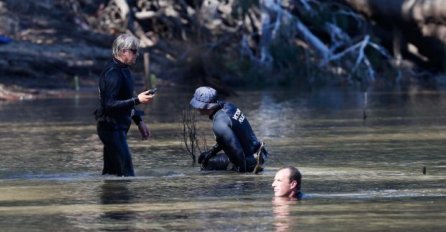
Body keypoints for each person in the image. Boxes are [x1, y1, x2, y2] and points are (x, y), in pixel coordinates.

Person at [94, 33, 155, 177]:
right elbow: (109, 104)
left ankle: (109, 197)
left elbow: (126, 100)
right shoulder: (112, 73)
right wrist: (137, 100)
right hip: (110, 128)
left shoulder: (125, 70)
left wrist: (139, 122)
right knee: (127, 173)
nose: (137, 55)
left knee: (111, 174)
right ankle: (123, 199)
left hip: (119, 128)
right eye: (134, 51)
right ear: (123, 51)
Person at [189, 86, 268, 173]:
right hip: (259, 154)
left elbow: (238, 152)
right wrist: (211, 152)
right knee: (211, 159)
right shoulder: (229, 106)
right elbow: (227, 139)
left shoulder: (219, 124)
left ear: (202, 106)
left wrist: (242, 179)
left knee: (207, 165)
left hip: (249, 160)